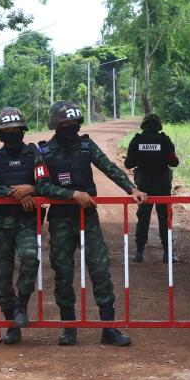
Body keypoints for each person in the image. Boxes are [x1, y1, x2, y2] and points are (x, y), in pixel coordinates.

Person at [34, 101, 147, 346]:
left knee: (100, 269)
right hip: (61, 219)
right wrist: (73, 195)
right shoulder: (44, 152)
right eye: (66, 123)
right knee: (63, 273)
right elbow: (42, 186)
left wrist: (131, 189)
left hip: (88, 217)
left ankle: (109, 329)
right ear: (56, 125)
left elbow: (108, 166)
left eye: (75, 123)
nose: (71, 127)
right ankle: (69, 328)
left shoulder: (86, 145)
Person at [0, 107, 42, 345]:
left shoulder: (34, 154)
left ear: (23, 131)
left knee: (30, 258)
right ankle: (11, 325)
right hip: (1, 226)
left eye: (16, 130)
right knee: (2, 277)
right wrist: (16, 193)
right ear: (1, 134)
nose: (12, 134)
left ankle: (21, 307)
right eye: (7, 131)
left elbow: (46, 182)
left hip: (27, 222)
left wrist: (31, 189)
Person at [124, 113, 179, 263]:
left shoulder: (137, 141)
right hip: (162, 186)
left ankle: (139, 252)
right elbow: (174, 162)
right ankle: (167, 253)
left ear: (143, 125)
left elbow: (128, 164)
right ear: (158, 126)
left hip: (143, 187)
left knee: (143, 218)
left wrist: (141, 158)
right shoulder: (164, 140)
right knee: (165, 219)